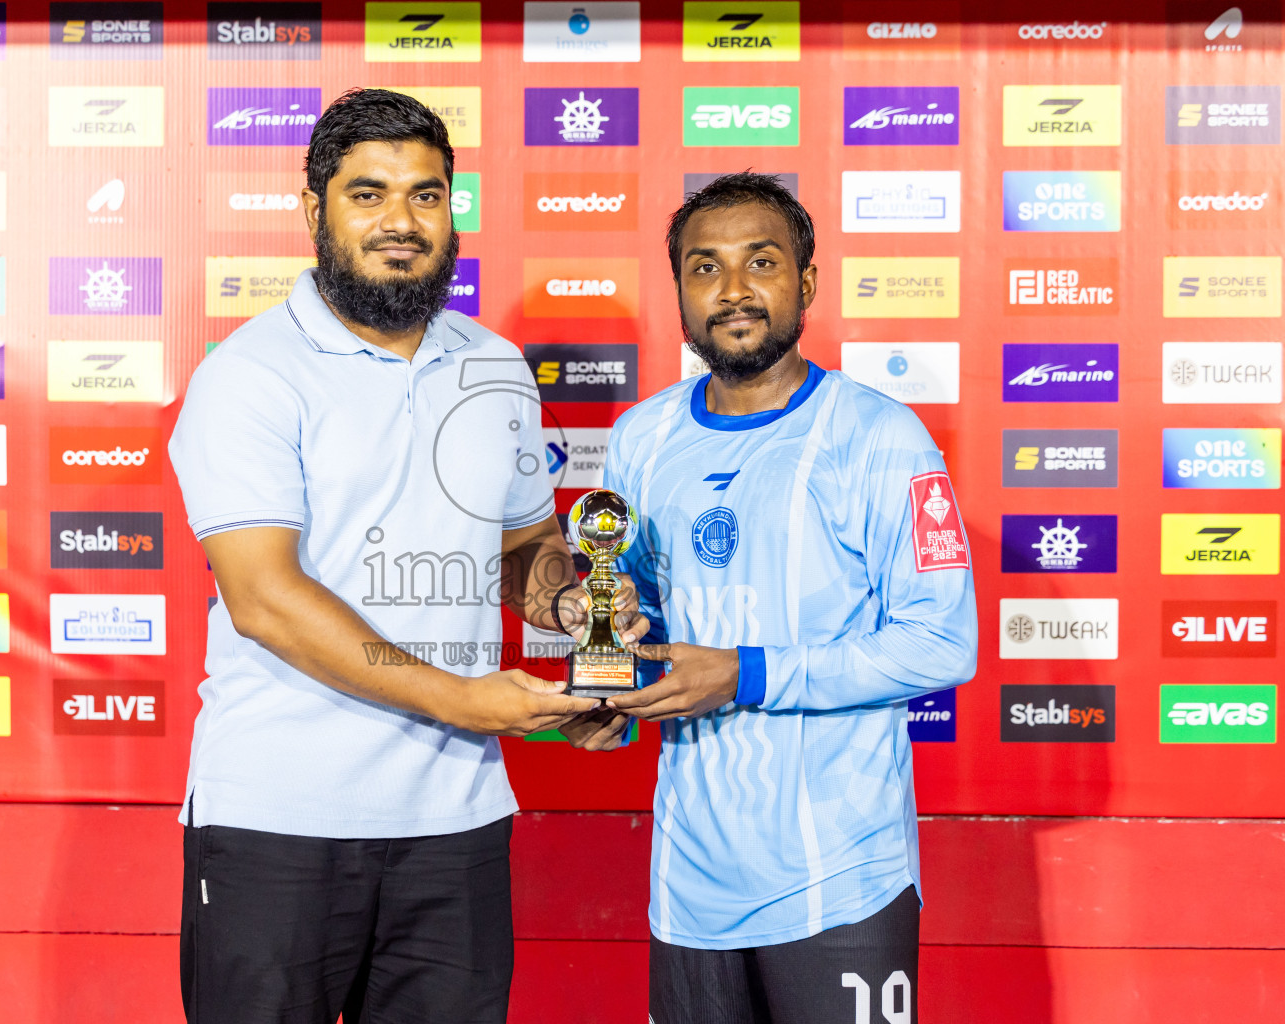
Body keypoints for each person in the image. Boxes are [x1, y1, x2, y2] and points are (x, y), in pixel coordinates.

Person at [169, 88, 643, 1024]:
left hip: (453, 820)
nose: (402, 222)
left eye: (427, 196)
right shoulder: (250, 374)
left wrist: (573, 609)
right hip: (277, 823)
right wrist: (468, 700)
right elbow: (264, 598)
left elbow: (522, 547)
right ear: (314, 210)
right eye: (369, 194)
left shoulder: (495, 366)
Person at [563, 172, 977, 1024]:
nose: (735, 290)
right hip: (689, 884)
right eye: (705, 268)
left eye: (762, 262)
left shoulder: (878, 434)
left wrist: (745, 674)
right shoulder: (644, 435)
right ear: (678, 289)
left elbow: (942, 643)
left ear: (808, 282)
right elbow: (640, 611)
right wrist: (615, 686)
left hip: (841, 881)